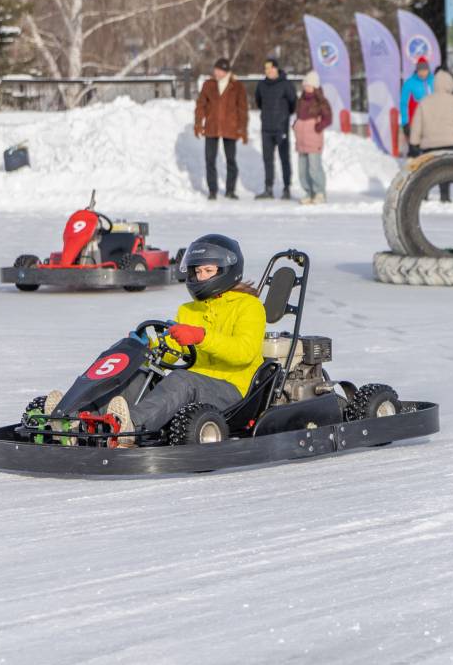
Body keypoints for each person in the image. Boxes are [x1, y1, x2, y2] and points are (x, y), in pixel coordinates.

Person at [42, 234, 266, 447]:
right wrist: (151, 346)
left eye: (208, 270)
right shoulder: (188, 310)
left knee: (181, 380)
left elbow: (243, 352)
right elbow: (173, 352)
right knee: (137, 373)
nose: (201, 277)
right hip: (195, 384)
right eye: (197, 271)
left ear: (226, 271)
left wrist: (201, 337)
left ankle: (130, 427)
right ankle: (78, 421)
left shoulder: (249, 307)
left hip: (235, 390)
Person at [409, 69, 453, 202]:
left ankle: (424, 195)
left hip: (429, 144)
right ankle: (445, 195)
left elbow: (417, 124)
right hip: (452, 143)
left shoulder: (424, 101)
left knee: (428, 171)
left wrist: (414, 142)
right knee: (446, 170)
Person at [194, 58, 249, 200]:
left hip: (230, 128)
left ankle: (230, 190)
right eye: (216, 69)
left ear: (226, 72)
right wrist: (198, 123)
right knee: (209, 159)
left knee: (231, 159)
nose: (216, 72)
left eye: (220, 70)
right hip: (212, 127)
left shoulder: (237, 86)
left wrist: (242, 129)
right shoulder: (208, 85)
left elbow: (242, 109)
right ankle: (213, 190)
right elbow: (200, 105)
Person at [254, 58, 297, 200]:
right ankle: (268, 189)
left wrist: (283, 116)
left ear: (276, 69)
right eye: (266, 69)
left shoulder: (285, 84)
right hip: (266, 128)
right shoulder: (261, 85)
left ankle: (286, 188)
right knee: (268, 159)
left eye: (271, 68)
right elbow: (259, 102)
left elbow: (293, 103)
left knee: (284, 158)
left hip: (281, 128)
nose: (268, 71)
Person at [294, 71, 333, 205]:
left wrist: (319, 126)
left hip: (314, 138)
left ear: (315, 86)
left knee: (314, 168)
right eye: (305, 85)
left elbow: (328, 118)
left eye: (309, 85)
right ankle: (308, 192)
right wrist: (296, 125)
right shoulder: (301, 100)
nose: (306, 88)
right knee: (302, 169)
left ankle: (319, 192)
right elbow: (298, 116)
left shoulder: (320, 101)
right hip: (301, 140)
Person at [400, 58, 433, 145]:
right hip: (415, 121)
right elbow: (404, 103)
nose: (422, 73)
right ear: (417, 70)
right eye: (420, 70)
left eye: (425, 70)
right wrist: (405, 122)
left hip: (433, 120)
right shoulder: (409, 83)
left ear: (428, 70)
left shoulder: (434, 81)